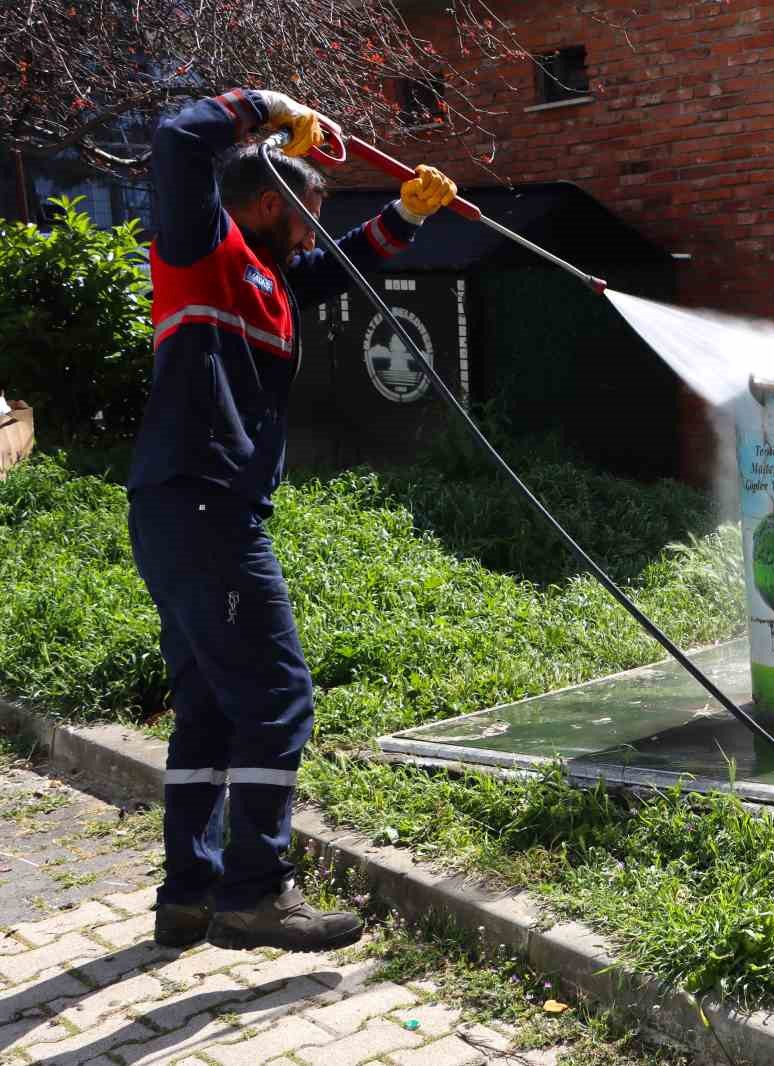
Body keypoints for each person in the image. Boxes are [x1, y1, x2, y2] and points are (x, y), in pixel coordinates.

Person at [126, 88, 456, 951]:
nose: (314, 234)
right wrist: (269, 108)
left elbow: (326, 270)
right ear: (266, 203)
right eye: (308, 215)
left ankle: (189, 896)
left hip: (179, 509)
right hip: (207, 508)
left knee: (207, 708)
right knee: (277, 697)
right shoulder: (203, 247)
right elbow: (175, 139)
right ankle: (256, 894)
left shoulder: (263, 278)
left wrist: (403, 216)